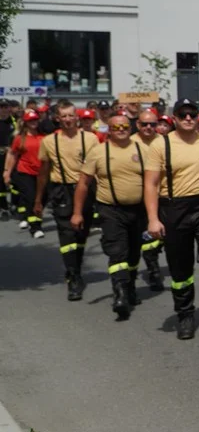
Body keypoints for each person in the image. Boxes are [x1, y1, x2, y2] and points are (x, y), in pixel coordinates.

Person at [144, 98, 199, 340]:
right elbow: (151, 184)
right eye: (183, 114)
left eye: (192, 114)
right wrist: (152, 219)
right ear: (175, 118)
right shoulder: (160, 145)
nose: (188, 118)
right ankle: (185, 314)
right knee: (181, 268)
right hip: (173, 209)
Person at [73, 113, 146, 320]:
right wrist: (78, 213)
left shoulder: (143, 150)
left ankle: (130, 286)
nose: (121, 129)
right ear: (109, 130)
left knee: (133, 253)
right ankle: (120, 294)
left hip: (137, 210)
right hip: (110, 210)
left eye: (124, 126)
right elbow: (83, 184)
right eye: (116, 127)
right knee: (117, 253)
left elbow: (153, 182)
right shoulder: (98, 152)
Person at [34, 101, 101, 301]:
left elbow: (99, 168)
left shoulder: (90, 139)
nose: (68, 119)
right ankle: (73, 276)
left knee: (81, 233)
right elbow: (43, 173)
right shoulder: (49, 141)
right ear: (57, 118)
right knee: (67, 234)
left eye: (71, 115)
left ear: (77, 117)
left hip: (86, 189)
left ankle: (75, 267)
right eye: (64, 116)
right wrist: (39, 200)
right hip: (61, 190)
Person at [134, 109, 165, 291]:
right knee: (146, 238)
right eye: (144, 124)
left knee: (159, 238)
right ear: (138, 124)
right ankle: (153, 271)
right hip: (138, 199)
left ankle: (154, 266)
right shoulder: (130, 143)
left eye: (152, 124)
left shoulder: (163, 142)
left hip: (161, 198)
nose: (148, 127)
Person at [4, 109, 43, 236]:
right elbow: (12, 155)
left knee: (41, 200)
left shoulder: (44, 136)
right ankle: (35, 227)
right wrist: (7, 172)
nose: (34, 122)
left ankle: (32, 219)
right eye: (31, 120)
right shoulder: (19, 138)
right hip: (25, 172)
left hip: (42, 174)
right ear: (25, 123)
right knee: (31, 198)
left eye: (35, 120)